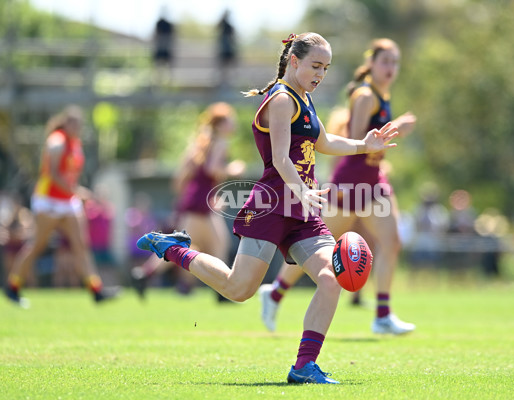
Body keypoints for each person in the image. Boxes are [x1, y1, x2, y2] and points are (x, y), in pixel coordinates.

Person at [136, 32, 399, 384]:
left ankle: (304, 366)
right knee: (238, 289)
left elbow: (323, 141)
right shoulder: (281, 100)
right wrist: (303, 192)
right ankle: (176, 250)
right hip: (272, 204)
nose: (320, 74)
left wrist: (362, 144)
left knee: (330, 278)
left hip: (302, 209)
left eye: (326, 68)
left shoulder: (305, 99)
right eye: (315, 66)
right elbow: (279, 158)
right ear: (294, 61)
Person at [258, 38, 417, 335]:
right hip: (350, 183)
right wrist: (397, 127)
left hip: (373, 180)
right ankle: (275, 292)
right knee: (312, 247)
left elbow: (371, 146)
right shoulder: (366, 95)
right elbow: (357, 136)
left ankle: (382, 314)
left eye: (395, 63)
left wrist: (382, 154)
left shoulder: (382, 93)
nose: (391, 68)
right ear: (371, 64)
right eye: (385, 61)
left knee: (392, 241)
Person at [4, 105, 119, 307]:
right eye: (73, 123)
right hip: (48, 200)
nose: (76, 127)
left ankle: (96, 290)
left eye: (79, 124)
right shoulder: (57, 140)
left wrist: (74, 192)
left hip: (67, 200)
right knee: (37, 245)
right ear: (66, 124)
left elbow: (69, 174)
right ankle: (13, 286)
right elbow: (53, 174)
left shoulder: (75, 143)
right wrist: (77, 191)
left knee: (81, 245)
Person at [131, 102, 244, 299]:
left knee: (187, 246)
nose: (233, 125)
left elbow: (182, 179)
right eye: (230, 121)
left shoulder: (201, 142)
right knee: (213, 245)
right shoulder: (220, 142)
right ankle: (219, 292)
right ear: (220, 124)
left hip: (194, 202)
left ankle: (148, 275)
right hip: (200, 205)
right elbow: (212, 170)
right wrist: (232, 169)